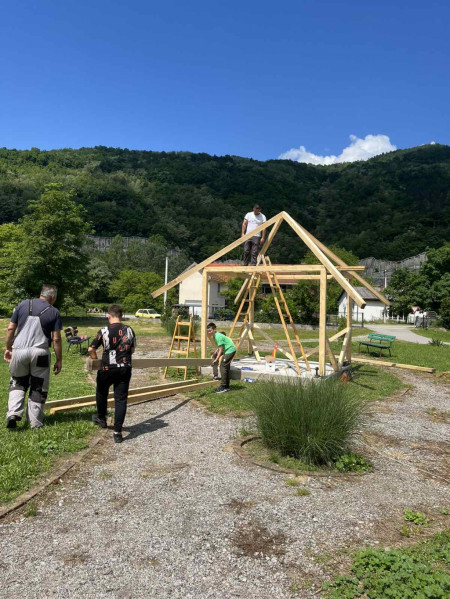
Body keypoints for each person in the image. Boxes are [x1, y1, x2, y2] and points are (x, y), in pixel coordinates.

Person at [4, 284, 63, 429]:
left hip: (19, 351)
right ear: (52, 297)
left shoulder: (23, 304)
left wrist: (8, 348)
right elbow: (56, 339)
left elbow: (11, 328)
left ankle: (13, 413)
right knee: (38, 386)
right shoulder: (54, 311)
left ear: (41, 293)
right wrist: (59, 360)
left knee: (17, 382)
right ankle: (35, 423)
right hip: (40, 353)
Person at [88, 304, 136, 443]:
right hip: (124, 368)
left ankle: (101, 418)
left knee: (101, 392)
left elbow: (91, 349)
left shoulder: (103, 331)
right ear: (121, 316)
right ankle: (117, 433)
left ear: (109, 316)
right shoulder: (129, 330)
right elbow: (132, 350)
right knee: (120, 399)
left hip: (107, 368)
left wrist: (95, 359)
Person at [207, 323, 236, 394]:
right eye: (208, 331)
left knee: (223, 366)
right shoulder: (214, 336)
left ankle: (223, 386)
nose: (209, 332)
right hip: (227, 350)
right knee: (225, 367)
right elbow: (219, 349)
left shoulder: (218, 336)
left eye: (210, 331)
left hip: (230, 350)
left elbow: (220, 349)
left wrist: (217, 359)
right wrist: (214, 356)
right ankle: (227, 386)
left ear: (214, 330)